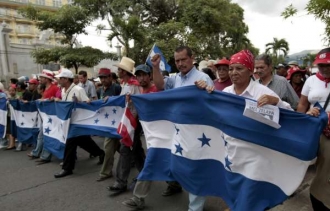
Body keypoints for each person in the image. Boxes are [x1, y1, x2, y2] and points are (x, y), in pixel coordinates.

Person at [196, 49, 292, 211]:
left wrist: (276, 101)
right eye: (231, 68)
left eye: (239, 68)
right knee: (234, 194)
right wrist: (204, 91)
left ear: (250, 70)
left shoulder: (262, 92)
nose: (233, 73)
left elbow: (289, 114)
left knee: (251, 198)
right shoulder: (226, 93)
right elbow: (212, 114)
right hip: (231, 155)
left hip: (255, 157)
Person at [151, 46, 213, 211]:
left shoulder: (203, 77)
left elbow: (212, 103)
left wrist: (205, 89)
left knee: (195, 169)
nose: (180, 64)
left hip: (197, 133)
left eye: (183, 59)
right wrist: (156, 67)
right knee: (180, 164)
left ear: (192, 58)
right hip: (178, 131)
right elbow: (159, 86)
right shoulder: (175, 78)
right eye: (177, 61)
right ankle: (177, 186)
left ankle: (195, 208)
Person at [54, 69, 105, 178]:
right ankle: (100, 153)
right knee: (83, 141)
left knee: (70, 142)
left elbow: (87, 104)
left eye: (61, 78)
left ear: (66, 79)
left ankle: (67, 168)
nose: (59, 80)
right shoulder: (63, 91)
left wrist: (81, 102)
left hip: (78, 121)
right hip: (68, 121)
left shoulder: (78, 89)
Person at [296, 47, 330, 211]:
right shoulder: (310, 81)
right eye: (321, 65)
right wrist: (300, 123)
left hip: (328, 135)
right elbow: (302, 104)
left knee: (324, 170)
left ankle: (319, 199)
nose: (324, 68)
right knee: (306, 165)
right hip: (312, 129)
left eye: (327, 65)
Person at [121, 64, 159, 209]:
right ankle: (173, 184)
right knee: (156, 161)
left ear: (150, 76)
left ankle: (138, 198)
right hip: (150, 135)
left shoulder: (157, 90)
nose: (142, 78)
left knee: (152, 161)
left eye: (144, 75)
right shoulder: (140, 91)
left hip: (160, 133)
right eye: (139, 75)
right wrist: (131, 102)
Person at [108, 57, 142, 194]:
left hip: (134, 122)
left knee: (125, 149)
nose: (118, 71)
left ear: (124, 71)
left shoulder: (134, 86)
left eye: (120, 69)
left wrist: (132, 122)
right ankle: (146, 172)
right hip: (129, 122)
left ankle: (121, 182)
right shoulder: (125, 84)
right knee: (137, 151)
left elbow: (138, 105)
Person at [95, 68, 121, 182]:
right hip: (107, 124)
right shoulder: (100, 90)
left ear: (111, 77)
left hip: (117, 123)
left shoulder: (117, 88)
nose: (103, 79)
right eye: (101, 77)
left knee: (108, 147)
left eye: (105, 77)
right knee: (119, 147)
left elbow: (123, 100)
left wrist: (112, 99)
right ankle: (132, 160)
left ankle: (106, 172)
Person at [31, 70, 59, 164]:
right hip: (47, 117)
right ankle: (39, 153)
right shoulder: (47, 88)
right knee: (42, 135)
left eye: (42, 77)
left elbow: (59, 99)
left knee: (46, 135)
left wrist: (51, 100)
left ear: (47, 79)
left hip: (52, 118)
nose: (40, 79)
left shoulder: (54, 88)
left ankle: (44, 156)